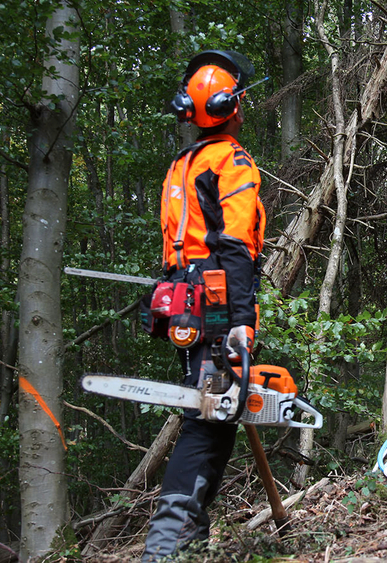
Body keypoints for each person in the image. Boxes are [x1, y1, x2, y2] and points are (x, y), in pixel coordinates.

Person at [142, 50, 267, 561]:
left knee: (214, 414)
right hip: (215, 303)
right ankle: (166, 546)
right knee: (209, 415)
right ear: (229, 107)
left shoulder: (182, 164)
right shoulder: (230, 161)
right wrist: (239, 322)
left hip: (184, 300)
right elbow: (235, 245)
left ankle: (187, 544)